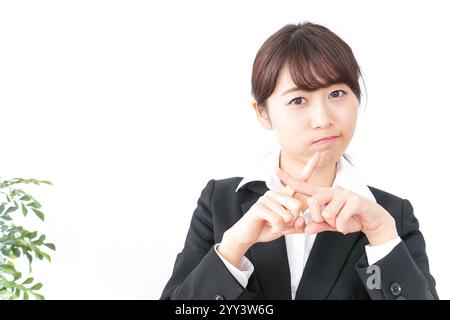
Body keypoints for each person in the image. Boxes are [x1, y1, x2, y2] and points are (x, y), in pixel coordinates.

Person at [160, 22, 438, 300]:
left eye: (336, 94)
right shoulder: (220, 204)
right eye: (298, 100)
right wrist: (232, 249)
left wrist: (382, 239)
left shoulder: (390, 216)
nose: (322, 119)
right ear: (262, 113)